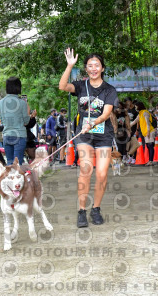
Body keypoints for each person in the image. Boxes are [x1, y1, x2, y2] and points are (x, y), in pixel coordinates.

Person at [59, 48, 118, 228]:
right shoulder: (80, 86)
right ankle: (81, 211)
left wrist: (94, 122)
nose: (93, 69)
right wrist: (70, 66)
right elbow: (62, 86)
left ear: (102, 68)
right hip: (84, 135)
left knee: (102, 173)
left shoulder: (109, 90)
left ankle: (96, 209)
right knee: (86, 169)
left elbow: (106, 113)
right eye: (90, 66)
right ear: (86, 69)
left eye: (97, 65)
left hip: (103, 136)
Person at [0, 77, 30, 165]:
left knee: (10, 163)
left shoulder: (1, 102)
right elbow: (26, 121)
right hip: (19, 135)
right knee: (17, 164)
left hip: (7, 135)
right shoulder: (22, 103)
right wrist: (28, 112)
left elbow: (2, 120)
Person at [134, 100, 156, 165]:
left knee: (150, 146)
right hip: (146, 132)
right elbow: (135, 121)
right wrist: (128, 125)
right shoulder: (140, 114)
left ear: (139, 106)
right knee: (148, 146)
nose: (135, 108)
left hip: (150, 132)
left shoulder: (145, 113)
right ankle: (150, 160)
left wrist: (148, 132)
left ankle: (151, 161)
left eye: (136, 106)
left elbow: (147, 123)